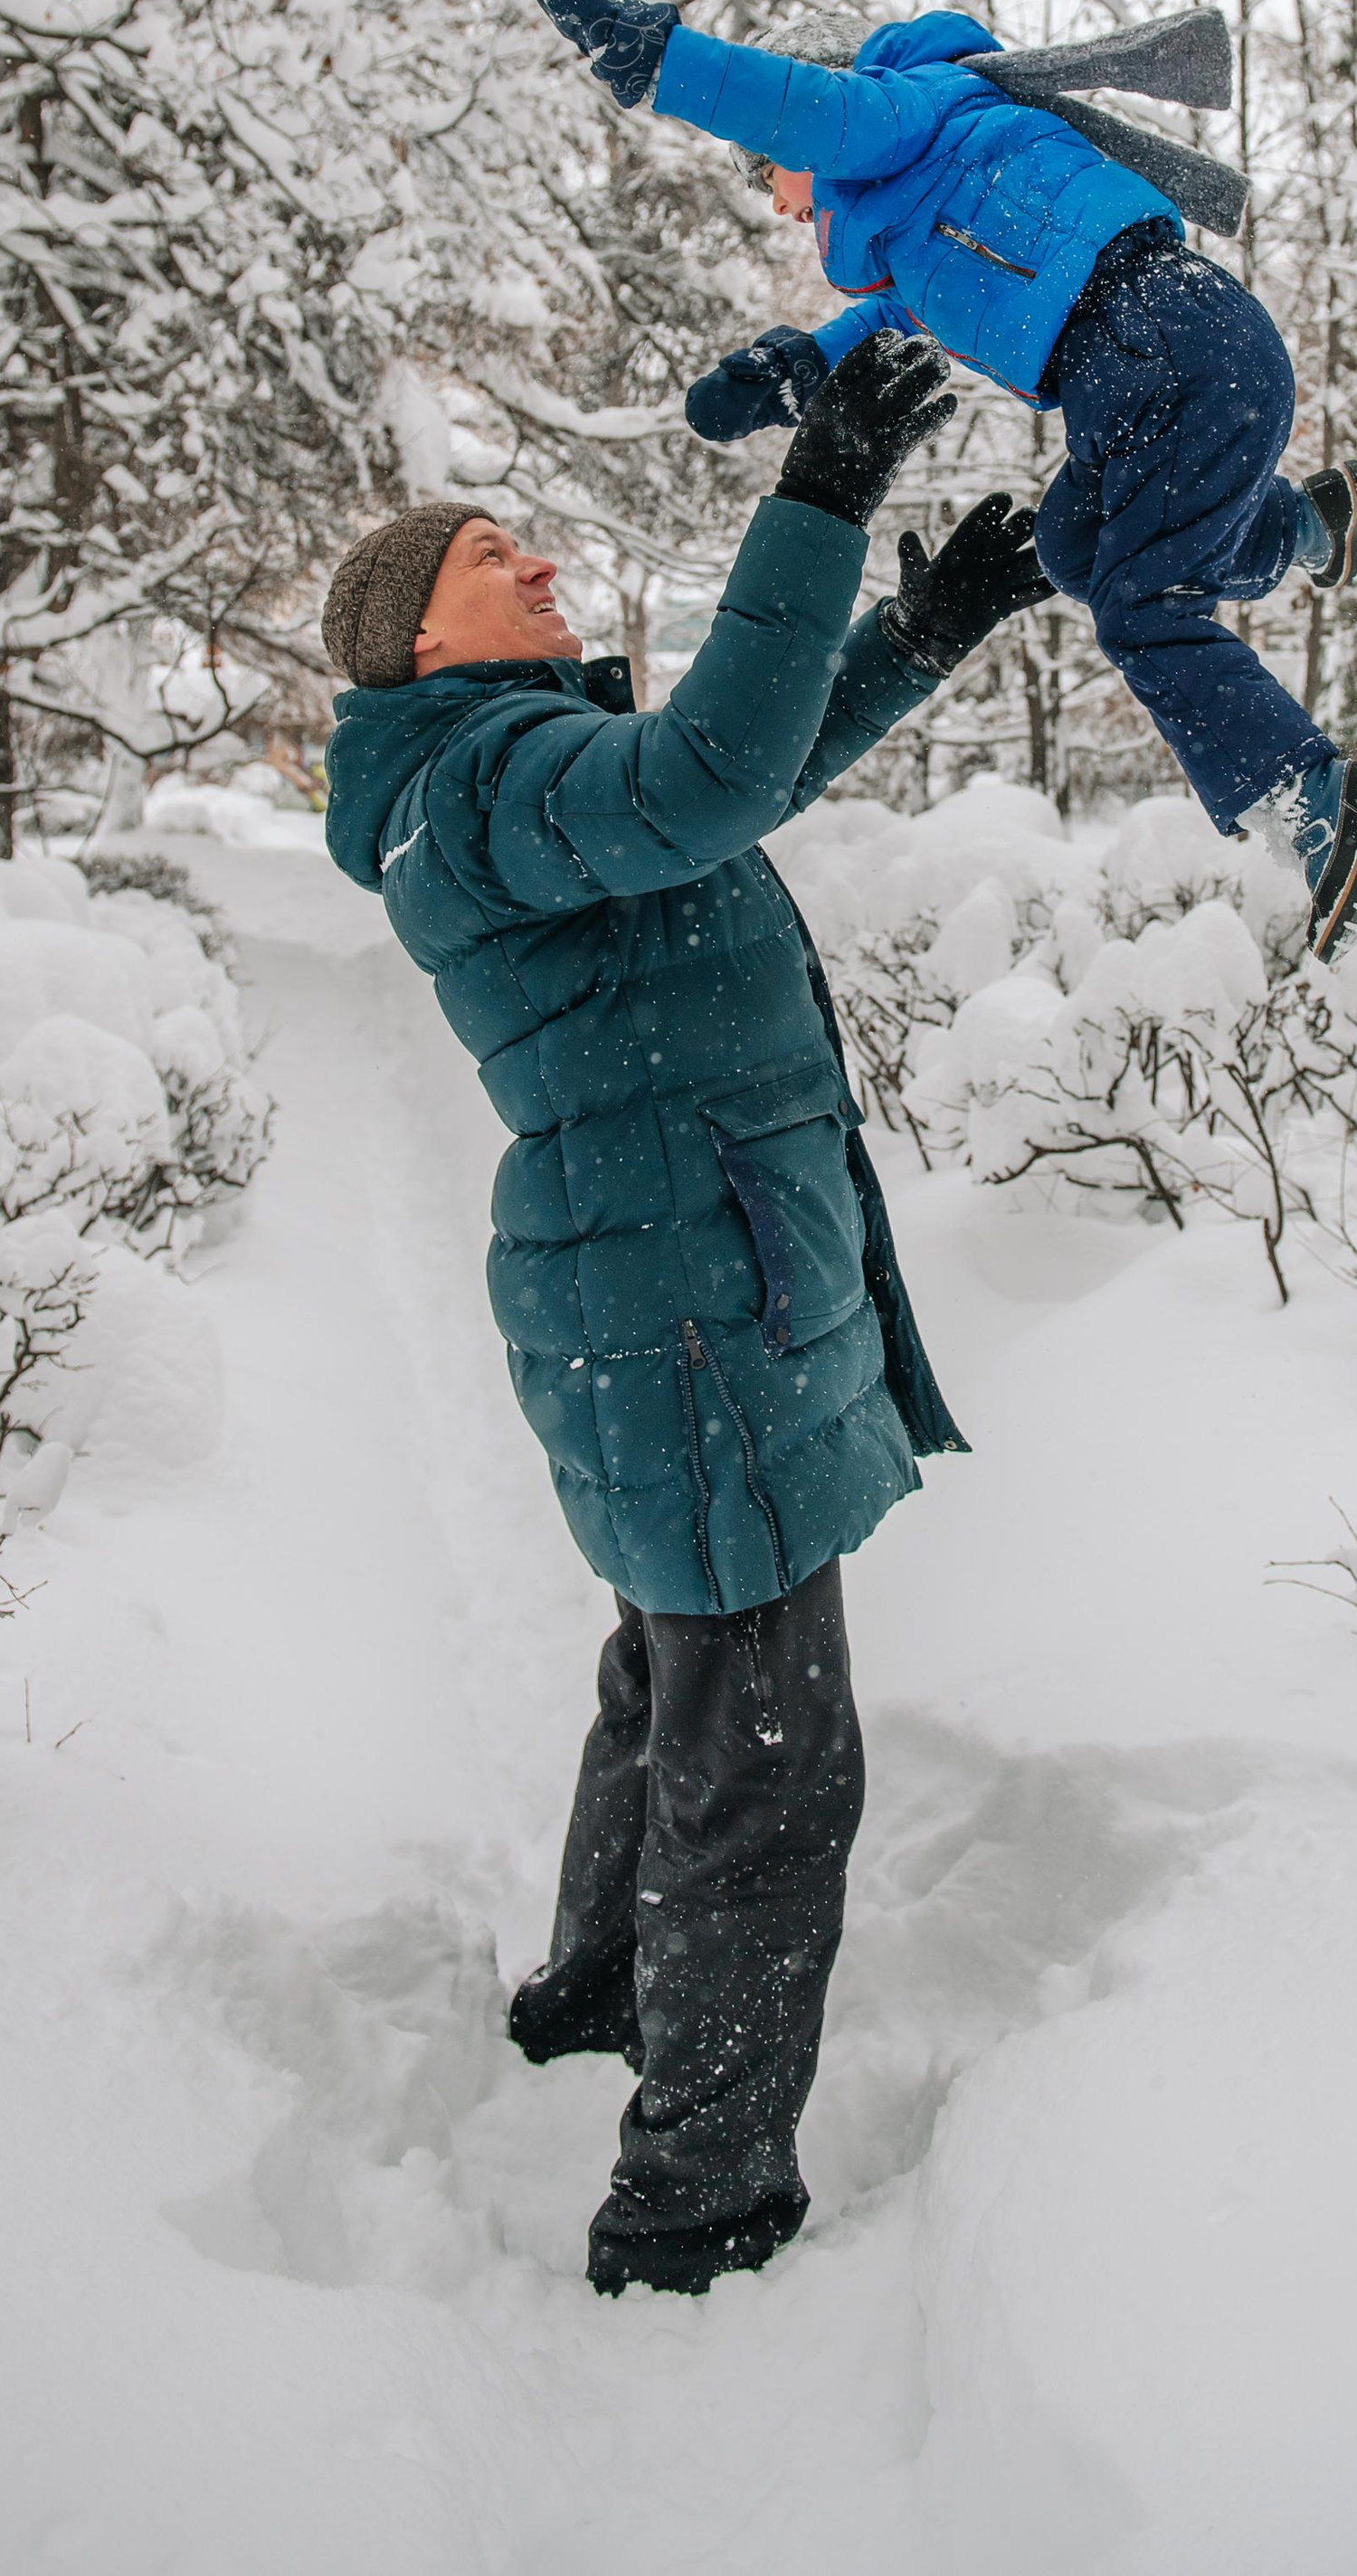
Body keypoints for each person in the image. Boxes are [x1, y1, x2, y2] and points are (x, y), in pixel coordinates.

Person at [319, 334, 1054, 2297]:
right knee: (769, 1756)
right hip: (690, 1312)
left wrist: (911, 641)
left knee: (678, 1673)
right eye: (494, 557)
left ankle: (598, 1989)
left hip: (669, 1292)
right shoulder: (486, 785)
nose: (539, 564)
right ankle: (697, 2197)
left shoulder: (495, 786)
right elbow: (705, 770)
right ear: (412, 635)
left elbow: (734, 784)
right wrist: (811, 501)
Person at [514, 0, 1357, 963]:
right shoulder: (916, 206)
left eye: (766, 172)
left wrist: (656, 63)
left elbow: (813, 110)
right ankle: (1303, 527)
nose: (772, 200)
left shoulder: (908, 111)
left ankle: (1313, 799)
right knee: (1076, 547)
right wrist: (792, 369)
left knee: (1143, 606)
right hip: (1138, 371)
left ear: (804, 121)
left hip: (1165, 339)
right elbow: (894, 316)